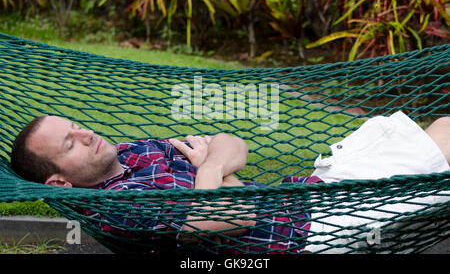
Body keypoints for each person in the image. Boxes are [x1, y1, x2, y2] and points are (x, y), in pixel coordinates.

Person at [9, 111, 450, 253]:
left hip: (306, 191)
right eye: (71, 145)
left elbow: (232, 143)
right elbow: (237, 215)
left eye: (77, 128)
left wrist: (219, 171)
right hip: (317, 231)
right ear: (59, 183)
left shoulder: (132, 153)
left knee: (444, 126)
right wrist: (211, 169)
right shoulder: (122, 207)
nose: (87, 134)